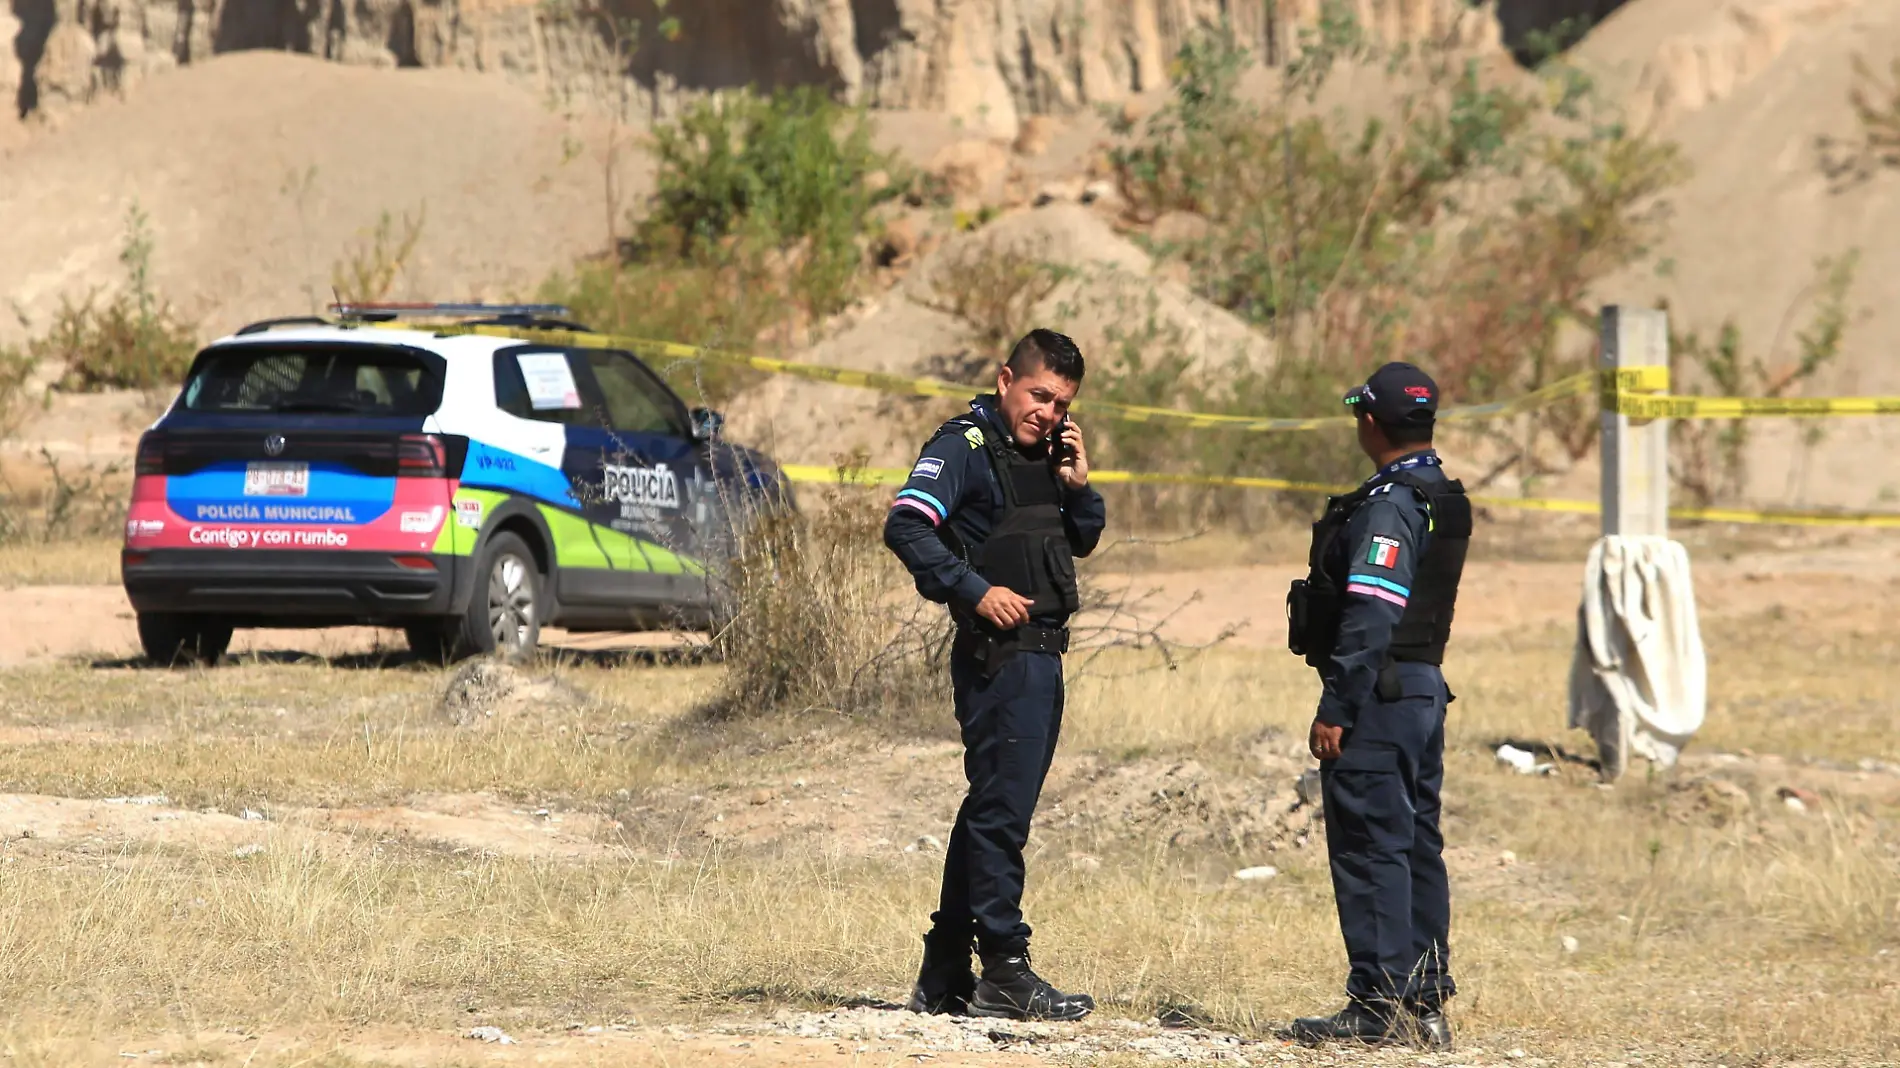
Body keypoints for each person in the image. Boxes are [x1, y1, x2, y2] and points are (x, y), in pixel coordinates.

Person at [882, 328, 1106, 1022]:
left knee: (991, 808)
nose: (1049, 412)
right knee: (1001, 816)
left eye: (1062, 403)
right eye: (1040, 395)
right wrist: (973, 589)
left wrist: (1079, 487)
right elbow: (907, 524)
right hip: (998, 657)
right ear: (1007, 378)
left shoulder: (1039, 455)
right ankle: (1005, 969)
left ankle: (946, 967)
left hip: (1041, 653)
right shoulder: (965, 445)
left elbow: (1081, 538)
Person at [1284, 362, 1471, 1051]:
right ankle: (1423, 1002)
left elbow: (1371, 612)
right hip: (1421, 689)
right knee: (1416, 845)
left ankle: (1378, 1003)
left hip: (1381, 696)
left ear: (1369, 422)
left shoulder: (1392, 502)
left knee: (1371, 849)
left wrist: (1336, 705)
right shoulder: (1439, 491)